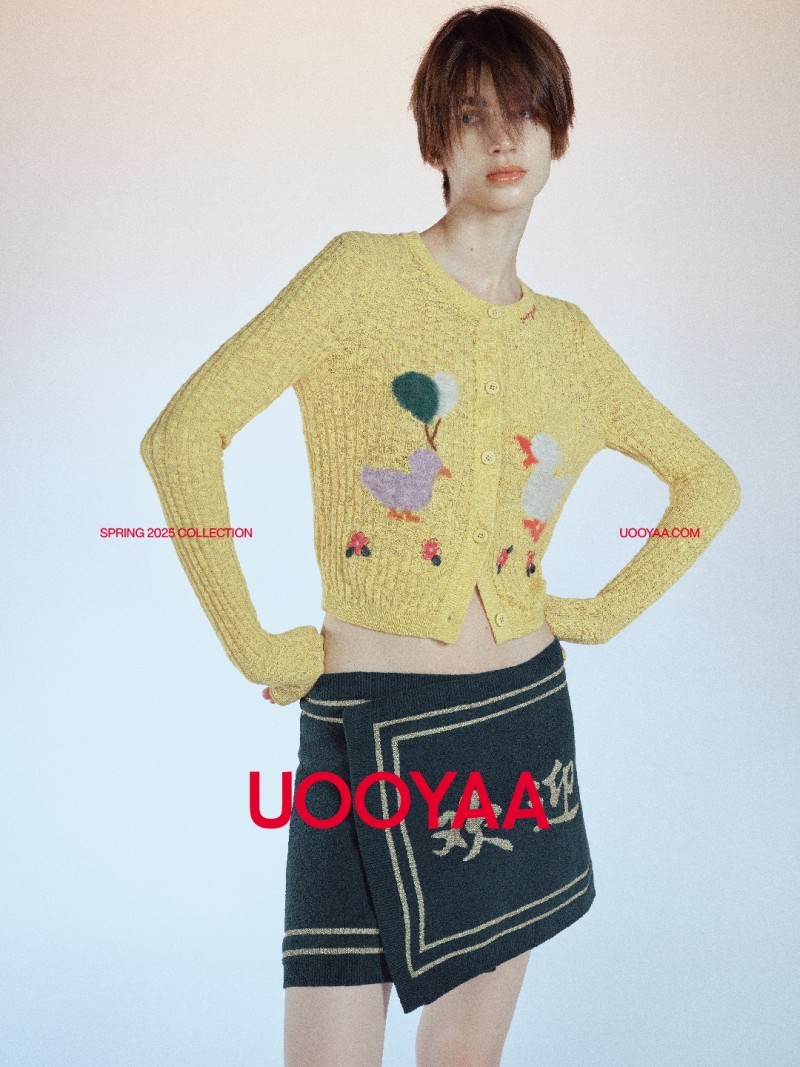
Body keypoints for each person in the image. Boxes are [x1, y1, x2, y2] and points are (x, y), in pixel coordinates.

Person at [140, 6, 741, 1066]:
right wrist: (252, 641)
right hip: (365, 725)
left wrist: (600, 610)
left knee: (464, 1057)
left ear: (557, 132)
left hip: (517, 727)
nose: (501, 139)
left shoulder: (572, 344)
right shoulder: (358, 277)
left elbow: (708, 482)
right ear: (435, 140)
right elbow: (182, 434)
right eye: (471, 116)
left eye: (524, 114)